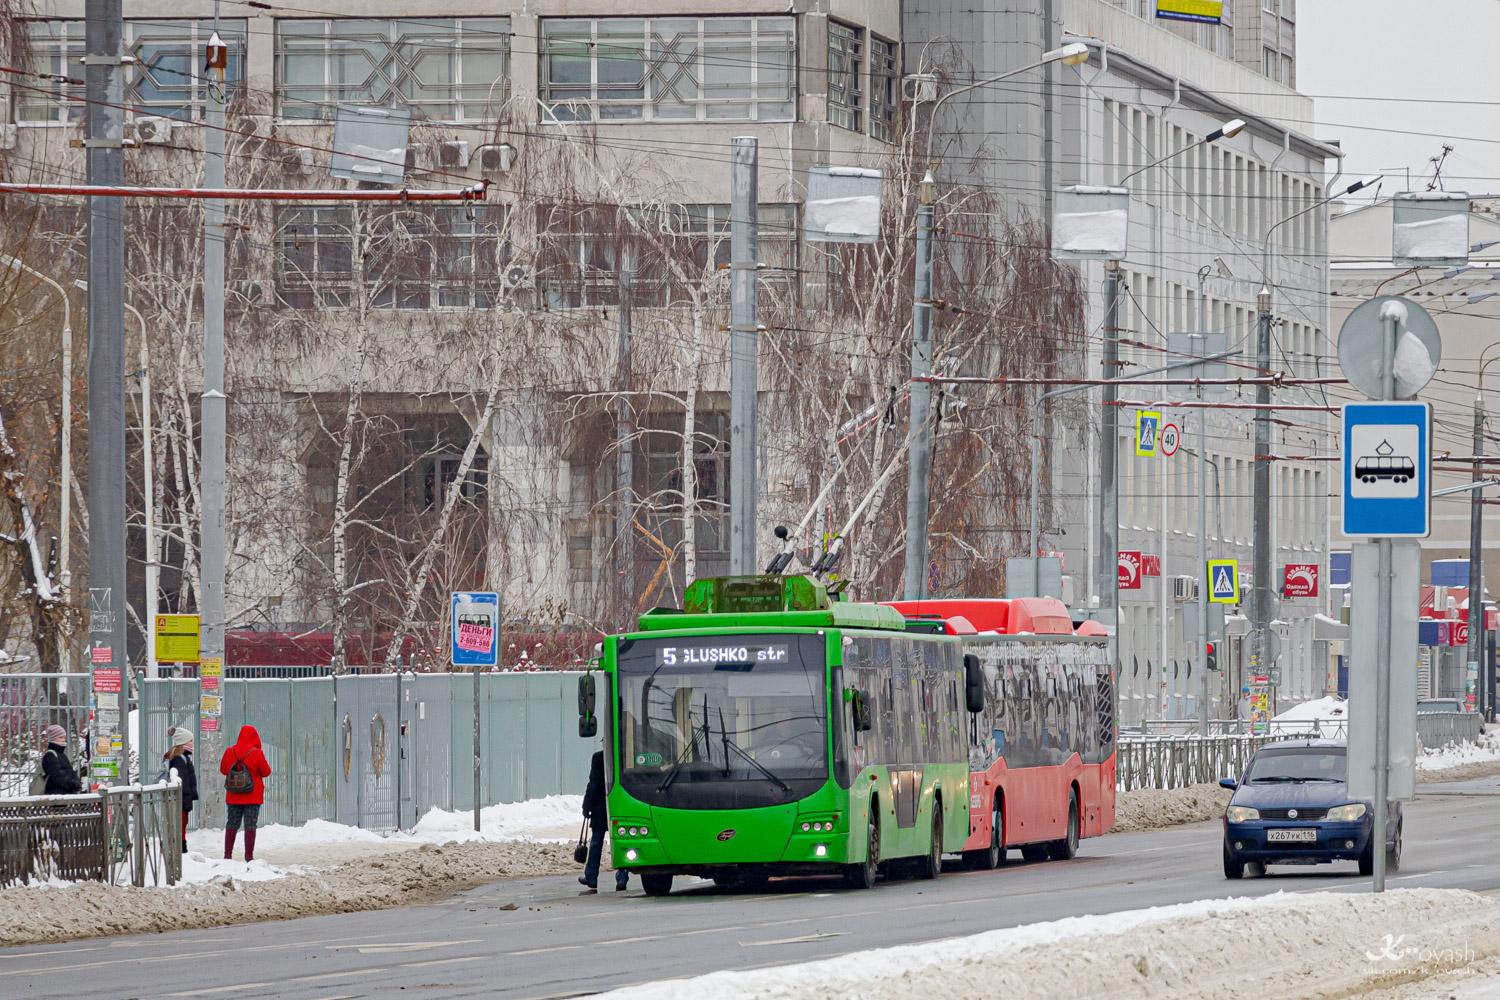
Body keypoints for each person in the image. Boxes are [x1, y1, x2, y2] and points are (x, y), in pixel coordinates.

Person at [219, 724, 271, 862]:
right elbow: (266, 772)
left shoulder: (230, 751)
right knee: (250, 825)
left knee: (232, 824)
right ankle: (248, 856)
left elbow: (224, 770)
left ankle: (227, 855)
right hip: (252, 796)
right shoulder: (257, 752)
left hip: (233, 795)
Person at [579, 750, 627, 893]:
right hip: (620, 806)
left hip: (601, 808)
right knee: (622, 841)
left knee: (596, 842)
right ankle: (622, 878)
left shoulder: (599, 757)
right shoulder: (624, 755)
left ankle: (591, 877)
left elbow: (593, 784)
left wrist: (587, 806)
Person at [165, 727, 199, 853]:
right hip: (181, 798)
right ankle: (181, 847)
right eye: (190, 741)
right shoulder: (178, 759)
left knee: (182, 823)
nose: (192, 743)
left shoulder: (183, 757)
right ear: (183, 742)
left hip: (183, 798)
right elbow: (183, 781)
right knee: (181, 823)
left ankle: (181, 845)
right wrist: (186, 798)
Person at [37, 725, 83, 795]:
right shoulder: (49, 755)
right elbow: (57, 775)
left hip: (65, 794)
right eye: (60, 737)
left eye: (64, 737)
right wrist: (73, 784)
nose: (63, 740)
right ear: (53, 738)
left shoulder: (62, 754)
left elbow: (70, 771)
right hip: (54, 795)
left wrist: (77, 782)